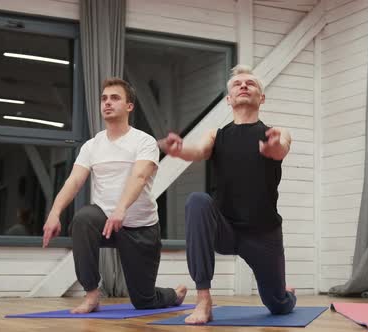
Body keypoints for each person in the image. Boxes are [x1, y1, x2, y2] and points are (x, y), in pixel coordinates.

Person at [158, 65, 296, 324]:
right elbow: (197, 151)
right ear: (229, 99)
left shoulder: (277, 132)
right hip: (226, 229)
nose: (244, 86)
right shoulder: (216, 135)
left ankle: (287, 293)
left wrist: (274, 145)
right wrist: (179, 150)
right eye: (237, 84)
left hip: (263, 234)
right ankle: (203, 299)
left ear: (261, 98)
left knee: (278, 305)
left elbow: (281, 149)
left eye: (251, 84)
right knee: (197, 201)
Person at [42, 77, 186, 314]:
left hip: (140, 226)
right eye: (104, 98)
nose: (107, 103)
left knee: (143, 300)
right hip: (104, 222)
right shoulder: (91, 146)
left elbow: (139, 177)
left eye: (115, 98)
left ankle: (173, 294)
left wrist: (121, 209)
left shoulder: (144, 141)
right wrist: (54, 213)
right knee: (83, 219)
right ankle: (91, 294)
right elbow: (75, 180)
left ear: (129, 106)